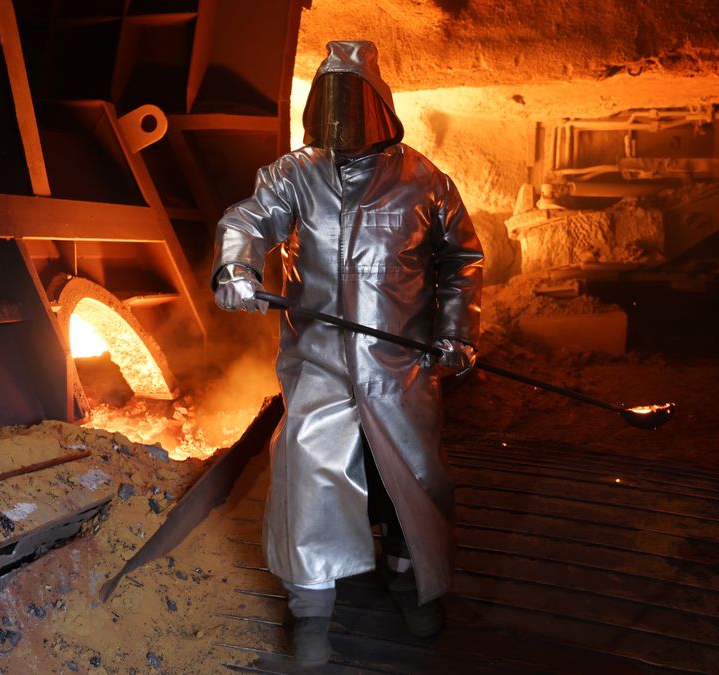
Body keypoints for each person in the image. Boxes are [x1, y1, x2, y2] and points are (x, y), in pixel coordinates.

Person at [211, 40, 483, 667]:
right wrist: (237, 269)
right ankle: (311, 612)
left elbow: (461, 262)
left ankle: (412, 582)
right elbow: (249, 222)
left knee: (406, 480)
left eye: (351, 106)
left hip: (400, 367)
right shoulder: (293, 175)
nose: (340, 125)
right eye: (329, 107)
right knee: (307, 477)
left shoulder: (424, 181)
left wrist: (457, 332)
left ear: (380, 107)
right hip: (320, 363)